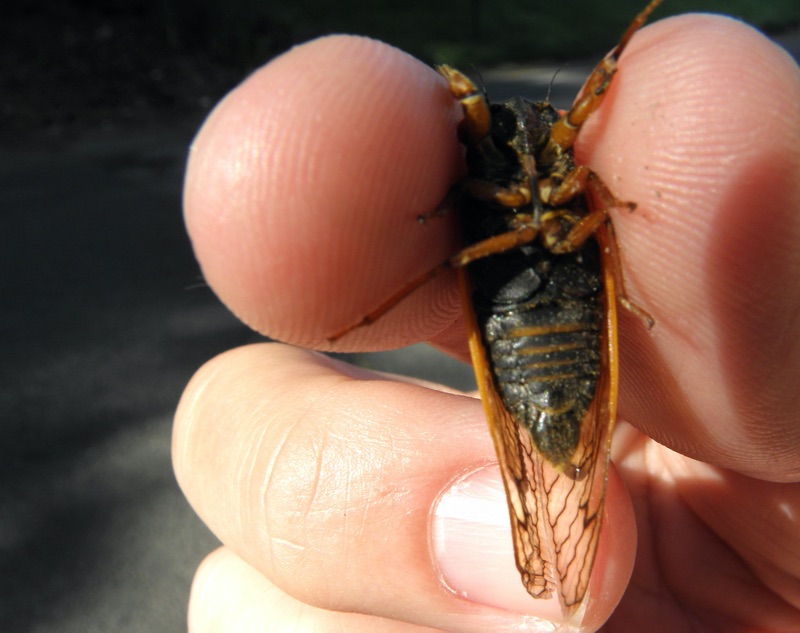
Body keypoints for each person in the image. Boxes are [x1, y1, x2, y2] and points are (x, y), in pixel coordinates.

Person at [173, 12, 800, 632]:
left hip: (553, 321)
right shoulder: (496, 185)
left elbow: (599, 205)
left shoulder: (568, 175)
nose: (529, 135)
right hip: (530, 322)